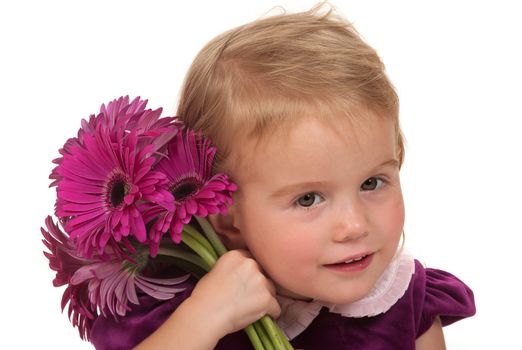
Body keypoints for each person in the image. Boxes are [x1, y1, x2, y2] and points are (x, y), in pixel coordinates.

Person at [90, 3, 476, 349]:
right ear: (227, 218)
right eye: (308, 198)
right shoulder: (186, 314)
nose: (355, 225)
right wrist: (204, 318)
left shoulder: (408, 302)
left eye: (371, 183)